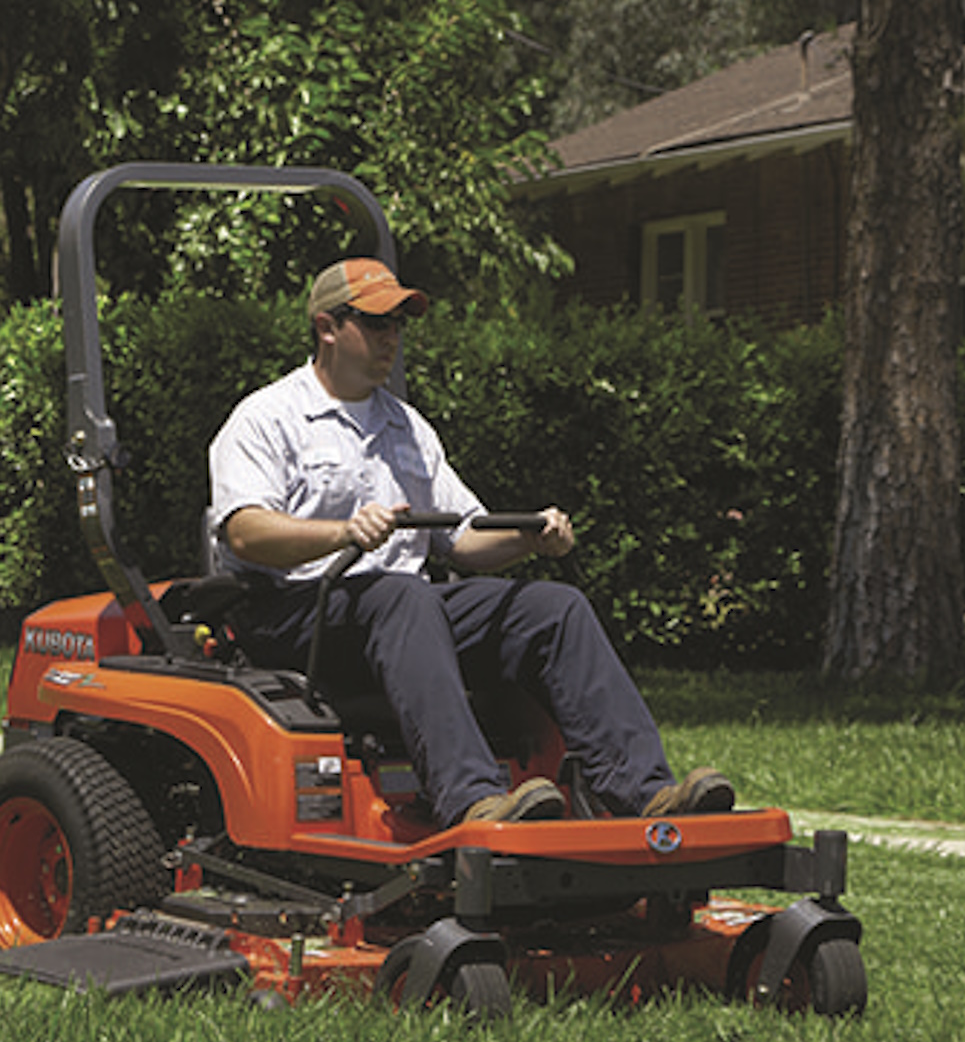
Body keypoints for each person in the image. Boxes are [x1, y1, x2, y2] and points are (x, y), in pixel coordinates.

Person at [208, 258, 734, 827]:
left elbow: (463, 539)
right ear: (326, 327)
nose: (392, 337)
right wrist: (343, 532)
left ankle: (645, 792)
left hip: (399, 614)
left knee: (553, 608)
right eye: (376, 322)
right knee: (403, 596)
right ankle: (471, 799)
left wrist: (531, 538)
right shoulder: (266, 418)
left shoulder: (408, 428)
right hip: (297, 614)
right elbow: (246, 531)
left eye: (398, 324)